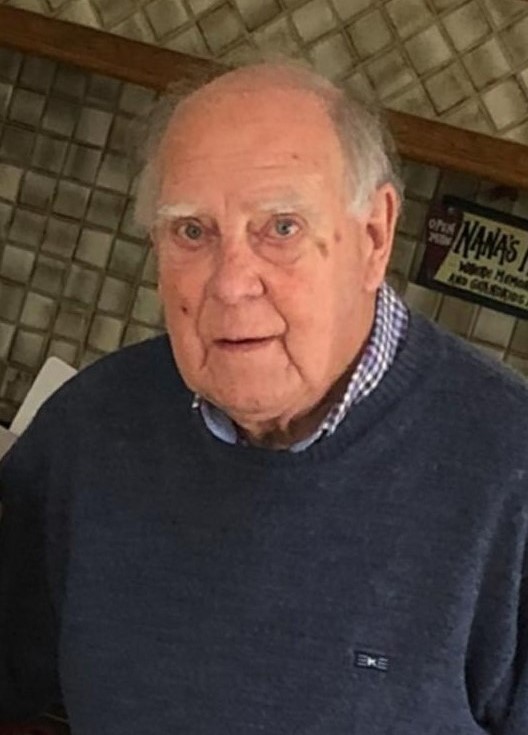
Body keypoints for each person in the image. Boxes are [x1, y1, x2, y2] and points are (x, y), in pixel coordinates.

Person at [0, 61, 527, 735]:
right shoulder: (89, 430)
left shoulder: (510, 475)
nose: (231, 283)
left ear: (374, 237)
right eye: (192, 231)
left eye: (280, 228)